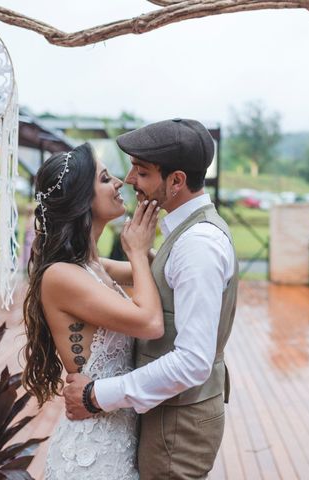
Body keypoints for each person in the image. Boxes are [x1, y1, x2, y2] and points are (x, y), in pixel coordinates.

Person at [63, 119, 239, 479]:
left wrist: (97, 395)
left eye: (141, 172)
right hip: (168, 414)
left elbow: (192, 362)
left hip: (178, 426)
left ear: (176, 181)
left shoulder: (197, 247)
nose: (129, 180)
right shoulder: (185, 235)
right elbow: (128, 272)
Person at [22, 143, 163, 479]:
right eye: (104, 178)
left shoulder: (93, 266)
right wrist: (137, 253)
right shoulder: (61, 276)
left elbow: (164, 271)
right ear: (81, 199)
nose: (119, 182)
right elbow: (150, 322)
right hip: (92, 456)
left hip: (117, 439)